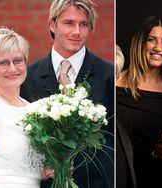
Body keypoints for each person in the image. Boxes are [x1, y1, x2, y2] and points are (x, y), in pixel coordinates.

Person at [20, 0, 114, 188]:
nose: (77, 32)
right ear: (53, 25)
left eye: (84, 24)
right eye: (69, 23)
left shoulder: (109, 75)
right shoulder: (27, 77)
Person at [0, 27, 53, 188]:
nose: (12, 68)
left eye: (18, 61)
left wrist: (47, 171)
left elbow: (21, 168)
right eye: (4, 62)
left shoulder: (31, 108)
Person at [116, 16, 162, 187]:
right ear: (140, 43)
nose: (158, 48)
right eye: (151, 40)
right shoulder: (116, 82)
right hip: (123, 176)